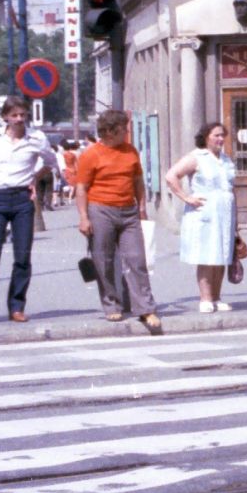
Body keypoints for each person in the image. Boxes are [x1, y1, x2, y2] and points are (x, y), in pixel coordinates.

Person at [0, 97, 61, 326]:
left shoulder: (37, 138)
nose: (19, 119)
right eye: (14, 115)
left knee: (22, 257)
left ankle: (17, 306)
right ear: (5, 117)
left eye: (22, 115)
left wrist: (34, 178)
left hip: (21, 200)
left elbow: (50, 162)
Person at [74, 110, 161, 334]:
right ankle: (112, 304)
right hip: (100, 210)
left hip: (128, 211)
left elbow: (138, 181)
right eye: (124, 128)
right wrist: (83, 218)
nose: (127, 131)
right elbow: (81, 188)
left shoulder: (130, 151)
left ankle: (145, 308)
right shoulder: (91, 155)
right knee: (104, 260)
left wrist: (142, 207)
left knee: (136, 259)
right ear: (110, 131)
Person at [165, 122, 239, 313]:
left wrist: (236, 221)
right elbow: (171, 176)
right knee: (207, 254)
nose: (220, 139)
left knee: (222, 255)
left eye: (222, 135)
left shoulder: (226, 159)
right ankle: (205, 298)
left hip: (225, 213)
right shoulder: (196, 157)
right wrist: (186, 198)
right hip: (205, 211)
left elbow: (230, 188)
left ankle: (217, 297)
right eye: (216, 135)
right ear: (206, 137)